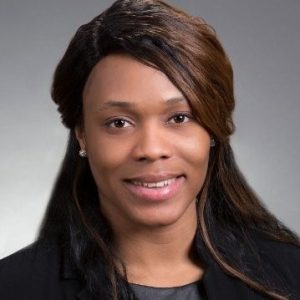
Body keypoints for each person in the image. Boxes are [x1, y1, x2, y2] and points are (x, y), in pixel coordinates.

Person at [0, 0, 299, 299]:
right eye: (118, 123)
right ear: (82, 136)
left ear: (212, 129)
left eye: (179, 118)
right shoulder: (13, 287)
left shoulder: (291, 274)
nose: (152, 149)